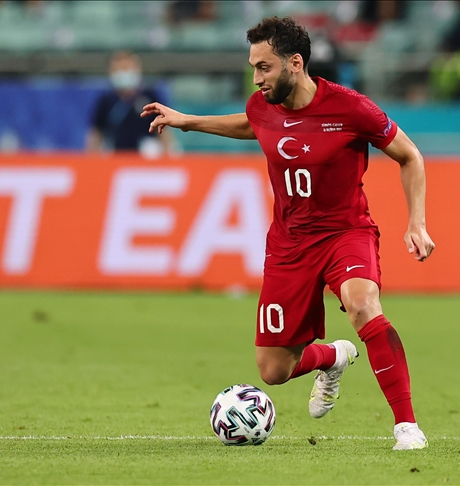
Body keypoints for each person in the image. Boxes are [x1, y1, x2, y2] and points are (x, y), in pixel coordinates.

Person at [142, 16, 434, 450]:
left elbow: (409, 156)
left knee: (362, 304)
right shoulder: (263, 105)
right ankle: (333, 357)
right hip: (289, 245)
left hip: (345, 233)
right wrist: (188, 121)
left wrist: (416, 222)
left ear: (295, 63)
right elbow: (251, 124)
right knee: (273, 370)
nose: (256, 78)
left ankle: (407, 427)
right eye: (253, 67)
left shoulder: (351, 108)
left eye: (264, 67)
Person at [87, 51, 174, 158]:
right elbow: (96, 132)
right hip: (115, 152)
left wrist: (167, 154)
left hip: (146, 153)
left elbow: (163, 129)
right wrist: (92, 157)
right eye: (119, 69)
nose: (123, 73)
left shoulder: (150, 97)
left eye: (126, 68)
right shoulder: (106, 100)